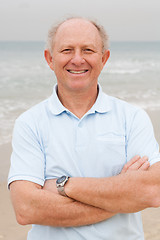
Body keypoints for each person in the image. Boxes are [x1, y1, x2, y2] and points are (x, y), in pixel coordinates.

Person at [8, 17, 160, 240]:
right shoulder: (29, 123)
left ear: (103, 58)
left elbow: (152, 191)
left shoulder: (132, 118)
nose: (77, 59)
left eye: (88, 50)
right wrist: (121, 194)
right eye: (67, 50)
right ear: (50, 59)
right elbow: (26, 209)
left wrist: (64, 185)